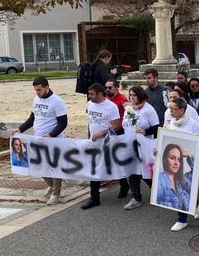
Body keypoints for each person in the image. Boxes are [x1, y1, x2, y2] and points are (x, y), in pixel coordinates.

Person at [10, 77, 67, 206]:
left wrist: (51, 134)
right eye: (35, 90)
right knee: (39, 165)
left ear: (47, 87)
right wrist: (20, 129)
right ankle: (51, 185)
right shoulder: (36, 99)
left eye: (39, 89)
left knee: (54, 166)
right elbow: (32, 118)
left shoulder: (57, 101)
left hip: (53, 140)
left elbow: (63, 122)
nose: (37, 92)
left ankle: (56, 193)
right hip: (37, 139)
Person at [161, 97, 199, 231]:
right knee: (179, 188)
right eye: (170, 108)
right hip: (176, 163)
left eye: (174, 109)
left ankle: (184, 215)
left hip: (189, 162)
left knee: (186, 188)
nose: (171, 112)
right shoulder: (171, 123)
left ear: (183, 110)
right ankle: (182, 218)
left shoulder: (193, 124)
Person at [81, 83, 122, 210]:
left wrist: (103, 133)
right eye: (89, 94)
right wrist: (90, 136)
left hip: (107, 143)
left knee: (115, 166)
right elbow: (90, 122)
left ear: (100, 93)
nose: (90, 96)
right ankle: (94, 197)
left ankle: (124, 185)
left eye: (92, 94)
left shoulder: (111, 107)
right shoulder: (90, 104)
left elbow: (117, 126)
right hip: (93, 143)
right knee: (93, 169)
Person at [121, 86, 159, 210]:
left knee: (145, 172)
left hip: (144, 146)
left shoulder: (148, 110)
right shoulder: (129, 109)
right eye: (130, 95)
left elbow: (157, 126)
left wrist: (145, 131)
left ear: (140, 96)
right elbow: (127, 125)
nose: (131, 97)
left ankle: (158, 190)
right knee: (132, 171)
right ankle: (136, 197)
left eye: (134, 95)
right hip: (129, 145)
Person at [105, 78, 131, 198]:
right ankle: (123, 183)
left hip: (120, 132)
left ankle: (125, 185)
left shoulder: (122, 100)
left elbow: (128, 117)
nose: (107, 90)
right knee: (114, 160)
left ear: (116, 87)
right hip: (108, 132)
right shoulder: (106, 100)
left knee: (121, 160)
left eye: (110, 87)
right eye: (106, 87)